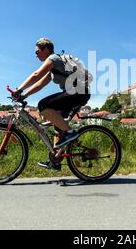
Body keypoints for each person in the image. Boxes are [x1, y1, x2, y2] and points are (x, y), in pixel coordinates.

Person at [11, 37, 91, 171]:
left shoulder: (54, 59)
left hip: (78, 93)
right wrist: (24, 95)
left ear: (46, 49)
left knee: (43, 105)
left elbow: (36, 74)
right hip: (75, 93)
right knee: (58, 125)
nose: (35, 54)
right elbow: (40, 83)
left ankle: (71, 133)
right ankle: (55, 160)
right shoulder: (53, 68)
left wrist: (19, 89)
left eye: (37, 51)